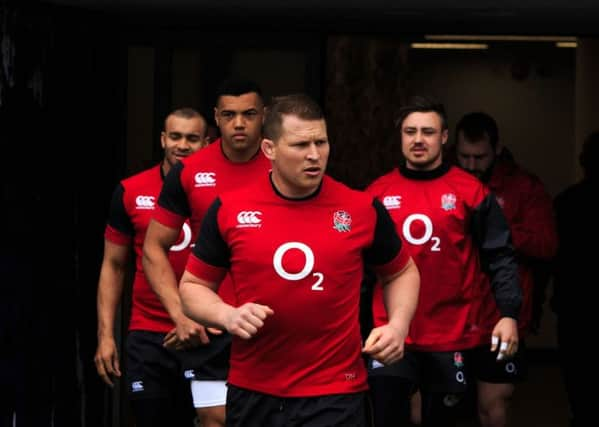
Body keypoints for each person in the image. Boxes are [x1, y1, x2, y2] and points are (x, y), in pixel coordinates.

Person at [178, 93, 421, 427]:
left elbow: (402, 271)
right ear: (269, 150)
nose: (313, 155)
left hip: (336, 391)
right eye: (299, 145)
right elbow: (192, 287)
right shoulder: (230, 209)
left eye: (321, 142)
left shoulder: (360, 208)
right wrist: (227, 314)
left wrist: (397, 325)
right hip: (254, 391)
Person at [366, 95, 521, 427]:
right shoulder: (376, 194)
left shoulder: (471, 191)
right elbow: (358, 268)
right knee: (390, 417)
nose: (418, 140)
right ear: (400, 136)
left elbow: (500, 256)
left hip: (452, 334)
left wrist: (508, 313)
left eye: (428, 132)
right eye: (410, 132)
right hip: (392, 333)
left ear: (445, 137)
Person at [142, 79, 270, 427]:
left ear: (265, 116)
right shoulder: (189, 171)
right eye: (229, 115)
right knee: (215, 419)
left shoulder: (284, 163)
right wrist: (180, 314)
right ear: (216, 117)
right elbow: (153, 247)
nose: (239, 123)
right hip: (213, 324)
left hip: (271, 323)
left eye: (249, 114)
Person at [94, 107, 211, 426]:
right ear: (162, 139)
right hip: (149, 336)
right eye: (175, 136)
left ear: (208, 143)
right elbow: (114, 266)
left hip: (207, 333)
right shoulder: (131, 190)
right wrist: (106, 336)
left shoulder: (219, 190)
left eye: (192, 138)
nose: (182, 145)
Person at [454, 111, 558, 427]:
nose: (471, 165)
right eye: (464, 156)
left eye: (480, 157)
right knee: (443, 406)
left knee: (494, 404)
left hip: (500, 317)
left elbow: (547, 245)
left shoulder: (523, 188)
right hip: (451, 316)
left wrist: (497, 229)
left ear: (497, 150)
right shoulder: (445, 184)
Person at [553, 131, 599, 427]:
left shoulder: (567, 202)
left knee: (579, 384)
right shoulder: (566, 202)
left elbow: (555, 256)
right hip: (574, 303)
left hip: (574, 305)